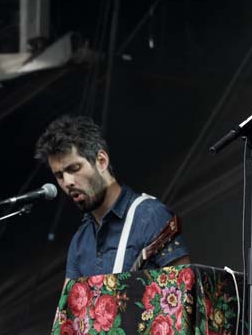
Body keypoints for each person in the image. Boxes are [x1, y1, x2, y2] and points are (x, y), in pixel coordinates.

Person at [35, 115, 190, 280]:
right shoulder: (80, 241)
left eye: (74, 168)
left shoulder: (150, 216)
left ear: (101, 161)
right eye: (59, 175)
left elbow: (185, 294)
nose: (67, 182)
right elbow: (69, 305)